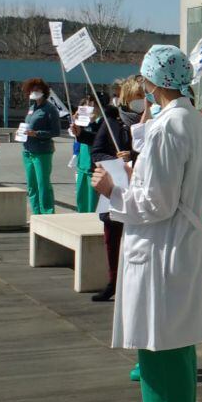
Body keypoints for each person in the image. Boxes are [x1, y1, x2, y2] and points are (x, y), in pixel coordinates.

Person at [91, 44, 202, 402]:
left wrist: (113, 190)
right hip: (178, 247)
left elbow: (157, 203)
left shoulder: (168, 127)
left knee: (161, 363)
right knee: (175, 357)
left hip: (163, 251)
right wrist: (136, 168)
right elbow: (166, 181)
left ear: (152, 81)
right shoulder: (191, 119)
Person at [89, 77, 143, 302]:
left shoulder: (153, 122)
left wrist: (134, 156)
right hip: (116, 186)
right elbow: (97, 152)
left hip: (140, 188)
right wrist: (115, 160)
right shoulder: (112, 122)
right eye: (137, 97)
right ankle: (113, 281)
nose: (142, 102)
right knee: (112, 236)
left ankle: (134, 283)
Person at [21, 78, 62, 215]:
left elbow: (56, 131)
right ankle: (36, 213)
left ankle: (48, 213)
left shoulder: (50, 109)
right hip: (27, 151)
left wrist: (36, 133)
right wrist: (21, 132)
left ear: (44, 91)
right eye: (32, 90)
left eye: (37, 89)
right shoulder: (32, 108)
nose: (34, 92)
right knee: (32, 186)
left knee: (43, 184)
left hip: (42, 152)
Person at [71, 94, 103, 213]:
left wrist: (91, 123)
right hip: (82, 166)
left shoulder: (101, 122)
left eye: (90, 106)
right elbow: (78, 138)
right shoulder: (83, 123)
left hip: (92, 167)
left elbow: (96, 139)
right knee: (81, 199)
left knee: (92, 203)